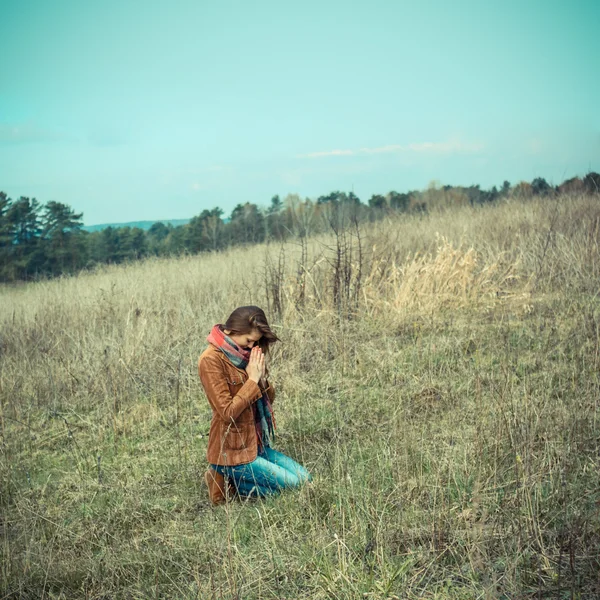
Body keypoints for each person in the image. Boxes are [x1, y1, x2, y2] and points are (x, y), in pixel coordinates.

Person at [198, 305, 311, 504]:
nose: (251, 346)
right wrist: (252, 380)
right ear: (233, 330)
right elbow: (227, 413)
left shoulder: (245, 356)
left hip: (254, 445)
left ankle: (229, 481)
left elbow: (268, 400)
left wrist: (261, 378)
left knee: (306, 480)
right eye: (248, 340)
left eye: (255, 342)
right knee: (292, 486)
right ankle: (223, 477)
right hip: (230, 452)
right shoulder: (210, 360)